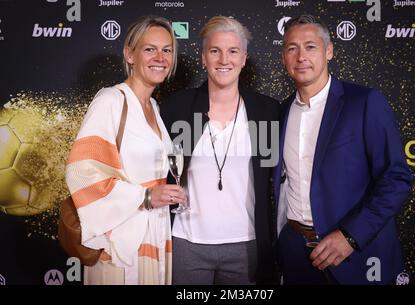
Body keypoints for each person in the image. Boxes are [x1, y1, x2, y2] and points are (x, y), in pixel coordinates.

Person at [274, 15, 412, 284]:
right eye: (292, 48)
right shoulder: (280, 113)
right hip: (295, 254)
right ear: (283, 57)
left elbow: (396, 179)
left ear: (329, 51)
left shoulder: (364, 102)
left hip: (355, 255)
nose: (301, 56)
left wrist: (351, 236)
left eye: (310, 46)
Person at [65, 15, 187, 285]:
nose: (160, 57)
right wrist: (145, 196)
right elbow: (80, 172)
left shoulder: (153, 108)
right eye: (149, 49)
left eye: (167, 50)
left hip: (154, 232)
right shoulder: (110, 101)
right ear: (130, 54)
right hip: (120, 241)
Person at [160, 16, 279, 285]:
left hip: (246, 244)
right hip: (187, 242)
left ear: (244, 58)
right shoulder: (177, 107)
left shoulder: (266, 111)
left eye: (233, 51)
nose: (224, 59)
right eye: (215, 51)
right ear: (203, 58)